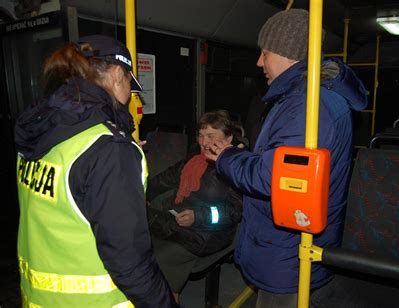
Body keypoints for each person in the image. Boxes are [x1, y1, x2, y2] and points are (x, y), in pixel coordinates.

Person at [204, 9, 368, 307]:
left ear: (286, 52)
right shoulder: (309, 96)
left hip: (289, 251)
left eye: (264, 53)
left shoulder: (307, 104)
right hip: (288, 243)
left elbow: (276, 178)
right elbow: (283, 162)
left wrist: (227, 157)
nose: (259, 62)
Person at [15, 35, 176, 307]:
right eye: (129, 81)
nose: (130, 93)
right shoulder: (108, 150)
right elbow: (130, 265)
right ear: (116, 75)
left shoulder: (43, 131)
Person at [146, 110, 244, 303]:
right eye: (200, 135)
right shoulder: (195, 159)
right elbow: (166, 178)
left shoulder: (235, 166)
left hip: (209, 232)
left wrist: (198, 216)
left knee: (161, 258)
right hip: (180, 221)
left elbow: (235, 211)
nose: (204, 142)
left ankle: (168, 298)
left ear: (229, 138)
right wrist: (142, 193)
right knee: (142, 246)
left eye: (211, 136)